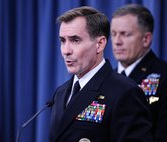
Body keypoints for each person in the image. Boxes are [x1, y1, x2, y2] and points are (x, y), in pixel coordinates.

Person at [49, 6, 153, 142]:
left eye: (75, 40)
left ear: (100, 44)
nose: (66, 50)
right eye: (63, 41)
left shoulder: (125, 92)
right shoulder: (61, 92)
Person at [111, 4, 167, 142]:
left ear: (146, 39)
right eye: (113, 34)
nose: (117, 41)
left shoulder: (164, 76)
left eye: (125, 34)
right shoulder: (105, 79)